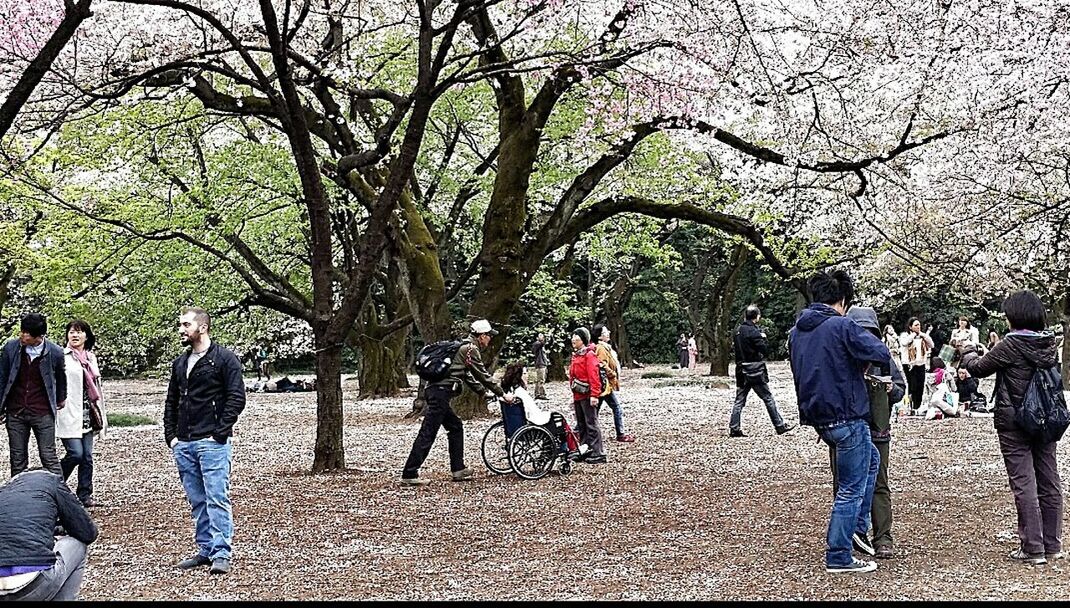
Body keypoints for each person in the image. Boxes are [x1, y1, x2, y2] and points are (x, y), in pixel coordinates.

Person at [788, 269, 890, 574]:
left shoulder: (796, 332)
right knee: (850, 487)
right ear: (842, 300)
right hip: (847, 415)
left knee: (871, 460)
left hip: (819, 416)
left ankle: (856, 527)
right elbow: (880, 352)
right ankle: (839, 553)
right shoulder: (842, 325)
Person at [963, 290, 1063, 565]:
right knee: (1049, 478)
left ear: (1015, 317)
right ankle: (1052, 544)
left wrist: (969, 350)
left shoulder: (1011, 344)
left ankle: (1032, 547)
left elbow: (979, 368)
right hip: (1046, 418)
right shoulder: (1048, 343)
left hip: (1015, 421)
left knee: (1024, 482)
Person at [164, 307, 247, 575]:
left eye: (186, 324)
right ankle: (206, 549)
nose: (181, 329)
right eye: (180, 324)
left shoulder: (225, 359)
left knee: (216, 497)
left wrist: (219, 432)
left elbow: (237, 397)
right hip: (184, 443)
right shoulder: (180, 363)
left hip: (212, 442)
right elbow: (172, 401)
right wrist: (172, 437)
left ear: (203, 327)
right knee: (197, 500)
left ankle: (222, 552)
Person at [401, 319, 513, 486]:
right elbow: (482, 375)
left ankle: (458, 469)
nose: (490, 339)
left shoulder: (462, 348)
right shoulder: (470, 349)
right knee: (428, 431)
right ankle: (410, 472)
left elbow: (466, 375)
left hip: (436, 392)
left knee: (455, 426)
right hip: (440, 393)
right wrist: (502, 394)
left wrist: (483, 393)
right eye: (489, 336)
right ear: (481, 336)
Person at [842, 306, 906, 559]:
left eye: (869, 332)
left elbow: (901, 387)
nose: (864, 336)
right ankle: (850, 536)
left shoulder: (882, 356)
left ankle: (883, 538)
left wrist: (890, 390)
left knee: (879, 484)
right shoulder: (842, 356)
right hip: (847, 429)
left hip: (878, 429)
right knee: (845, 484)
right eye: (860, 331)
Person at [0, 469, 98, 601]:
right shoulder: (52, 481)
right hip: (34, 582)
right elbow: (88, 533)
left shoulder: (4, 491)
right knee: (77, 543)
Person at [0, 313, 67, 477]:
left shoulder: (55, 352)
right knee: (17, 459)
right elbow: (2, 379)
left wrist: (61, 398)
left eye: (26, 333)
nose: (22, 335)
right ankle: (18, 498)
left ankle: (60, 496)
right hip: (16, 411)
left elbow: (61, 377)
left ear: (39, 336)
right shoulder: (11, 348)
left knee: (49, 457)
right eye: (22, 331)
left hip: (42, 412)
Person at [57, 320, 107, 509]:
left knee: (87, 456)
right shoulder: (61, 356)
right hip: (69, 412)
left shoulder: (90, 358)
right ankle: (55, 483)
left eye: (79, 332)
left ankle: (85, 494)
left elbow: (96, 387)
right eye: (71, 332)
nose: (75, 335)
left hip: (88, 411)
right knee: (75, 453)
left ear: (87, 336)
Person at [730, 305, 794, 437]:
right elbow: (764, 350)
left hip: (741, 369)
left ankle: (734, 428)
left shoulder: (737, 331)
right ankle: (779, 425)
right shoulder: (754, 332)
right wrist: (763, 338)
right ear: (757, 317)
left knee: (739, 400)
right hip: (755, 369)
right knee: (768, 398)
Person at [592, 324, 634, 443]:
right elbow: (601, 364)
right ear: (600, 336)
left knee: (594, 411)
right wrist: (612, 374)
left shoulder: (604, 347)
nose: (609, 332)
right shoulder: (601, 348)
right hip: (605, 385)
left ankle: (580, 431)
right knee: (616, 408)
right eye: (606, 331)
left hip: (605, 385)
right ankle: (620, 434)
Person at [570, 328, 606, 464]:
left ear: (583, 340)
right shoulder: (576, 355)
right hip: (578, 394)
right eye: (573, 337)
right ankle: (585, 449)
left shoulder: (589, 355)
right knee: (581, 424)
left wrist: (594, 395)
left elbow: (594, 376)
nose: (574, 340)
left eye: (577, 338)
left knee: (591, 423)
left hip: (587, 394)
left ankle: (598, 452)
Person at [899, 318, 933, 415]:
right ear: (910, 327)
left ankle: (917, 406)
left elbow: (931, 344)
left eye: (919, 325)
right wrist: (913, 334)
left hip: (921, 363)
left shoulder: (922, 336)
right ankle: (911, 406)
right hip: (909, 364)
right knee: (912, 385)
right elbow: (904, 343)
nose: (918, 327)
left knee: (920, 386)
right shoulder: (905, 335)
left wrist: (923, 334)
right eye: (915, 325)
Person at [531, 333, 549, 400]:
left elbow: (549, 343)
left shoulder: (541, 345)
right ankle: (541, 394)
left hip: (543, 364)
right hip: (540, 364)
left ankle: (538, 394)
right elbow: (542, 343)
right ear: (537, 338)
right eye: (540, 336)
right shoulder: (536, 344)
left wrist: (551, 336)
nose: (542, 337)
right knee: (540, 380)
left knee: (541, 380)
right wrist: (547, 337)